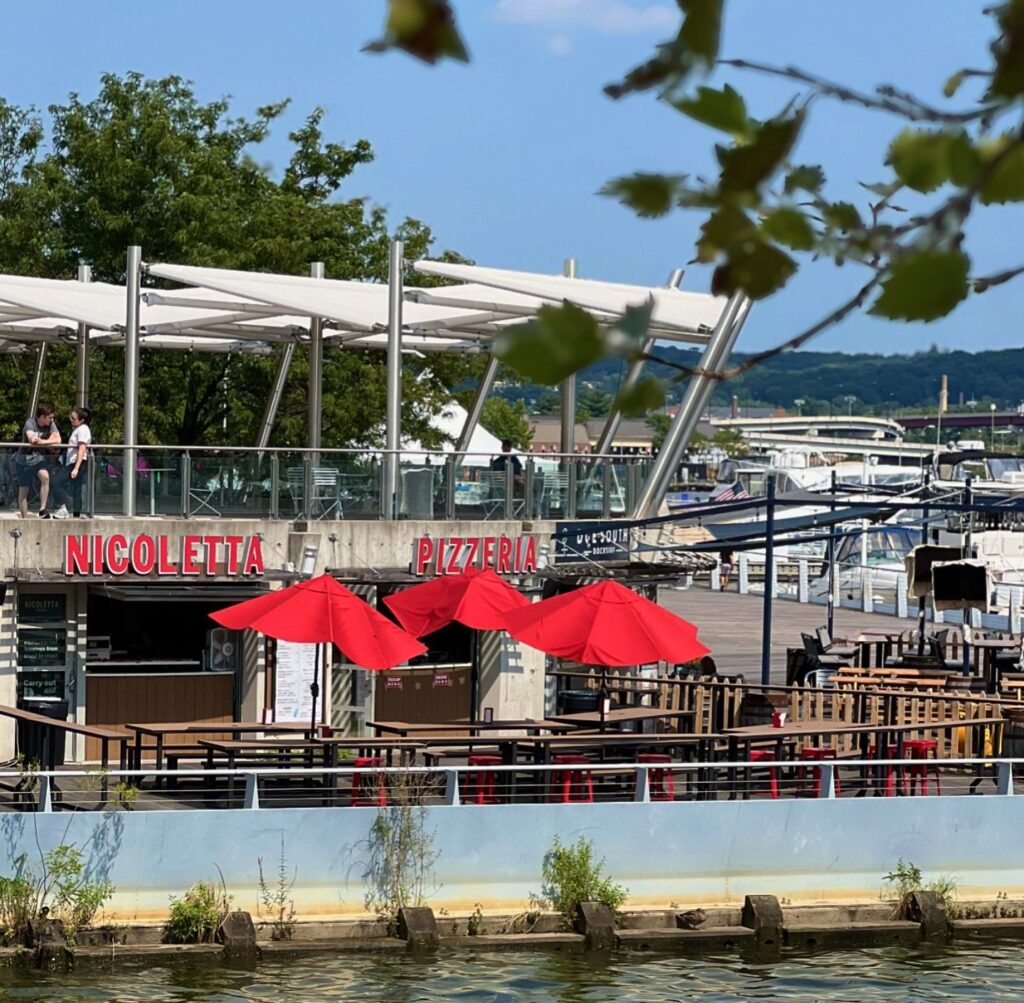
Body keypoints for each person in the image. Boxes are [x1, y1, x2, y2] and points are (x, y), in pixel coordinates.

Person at [17, 402, 60, 519]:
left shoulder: (51, 424)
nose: (52, 420)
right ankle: (24, 518)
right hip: (24, 461)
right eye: (50, 417)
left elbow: (58, 439)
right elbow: (32, 439)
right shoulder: (30, 423)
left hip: (38, 459)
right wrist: (47, 440)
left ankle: (42, 509)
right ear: (41, 417)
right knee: (24, 491)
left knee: (45, 476)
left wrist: (43, 442)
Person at [52, 406, 92, 519]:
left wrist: (76, 468)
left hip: (76, 463)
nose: (71, 419)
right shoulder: (78, 429)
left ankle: (64, 507)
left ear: (82, 420)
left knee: (56, 482)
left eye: (74, 418)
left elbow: (82, 448)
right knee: (76, 489)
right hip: (74, 463)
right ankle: (76, 515)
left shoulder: (83, 429)